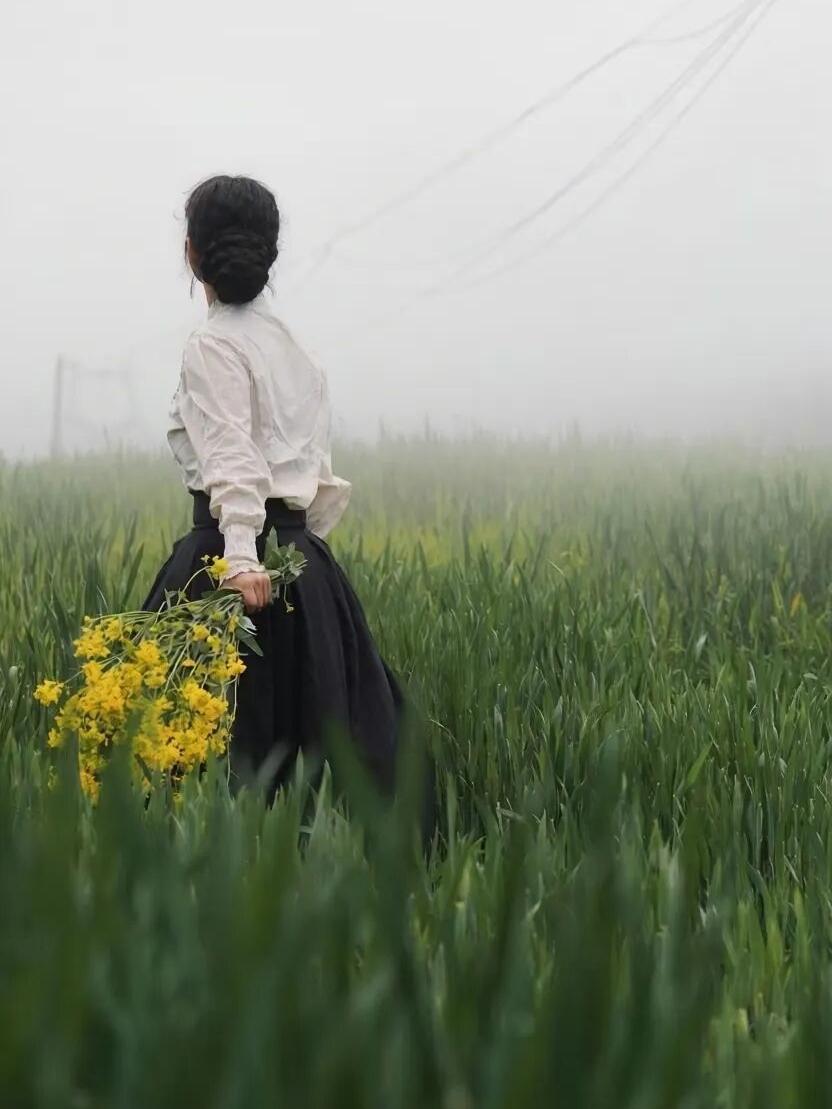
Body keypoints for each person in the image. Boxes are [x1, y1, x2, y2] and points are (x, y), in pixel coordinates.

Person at [143, 174, 403, 798]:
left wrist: (238, 557)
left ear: (191, 253)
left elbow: (234, 458)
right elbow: (311, 471)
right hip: (298, 564)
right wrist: (301, 561)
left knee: (208, 765)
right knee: (315, 764)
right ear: (271, 253)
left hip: (234, 567)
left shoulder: (212, 345)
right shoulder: (295, 348)